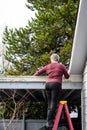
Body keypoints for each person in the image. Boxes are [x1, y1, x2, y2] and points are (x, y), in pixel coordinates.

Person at [34, 53, 70, 130]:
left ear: (51, 59)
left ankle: (49, 121)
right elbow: (67, 76)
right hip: (56, 85)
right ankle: (49, 121)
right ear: (58, 59)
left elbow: (38, 73)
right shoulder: (61, 66)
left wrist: (34, 76)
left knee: (50, 103)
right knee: (53, 103)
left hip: (48, 85)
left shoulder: (48, 66)